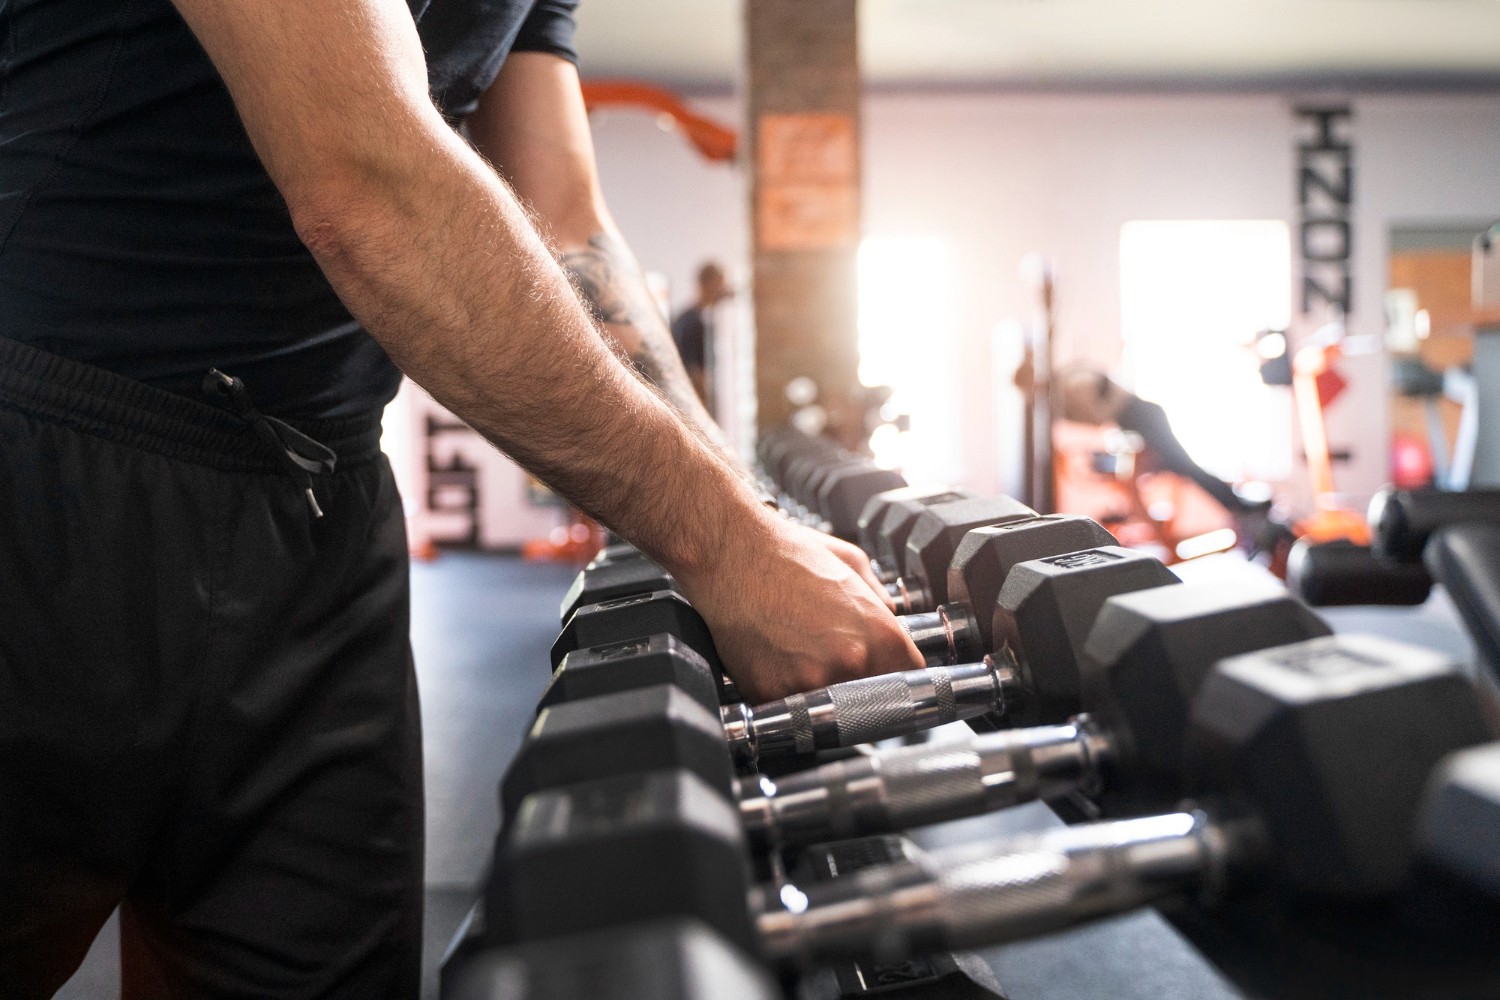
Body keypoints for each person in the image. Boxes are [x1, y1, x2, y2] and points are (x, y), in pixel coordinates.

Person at [0, 1, 922, 995]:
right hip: (46, 456)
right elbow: (363, 182)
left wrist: (759, 530)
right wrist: (725, 544)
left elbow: (566, 226)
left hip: (322, 500)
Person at [670, 261, 732, 410]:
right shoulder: (691, 321)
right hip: (690, 402)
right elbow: (694, 372)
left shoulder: (699, 318)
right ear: (708, 284)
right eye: (719, 284)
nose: (722, 289)